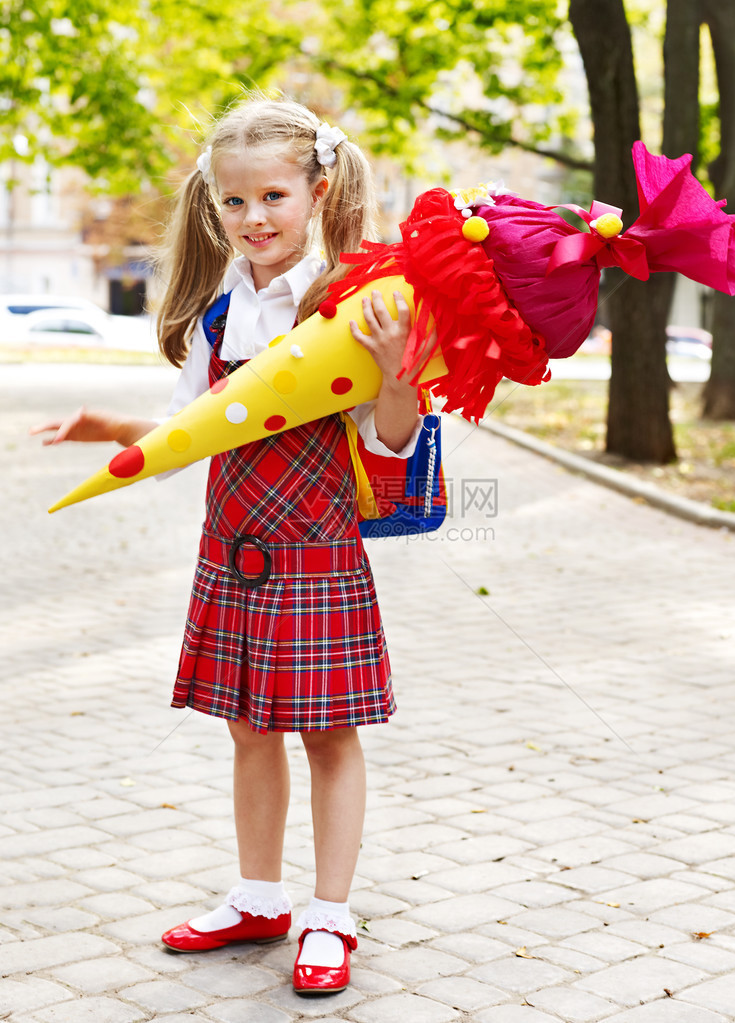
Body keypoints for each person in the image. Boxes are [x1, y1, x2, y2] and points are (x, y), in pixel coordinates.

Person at [31, 96, 421, 996]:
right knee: (249, 730)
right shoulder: (217, 315)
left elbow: (391, 443)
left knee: (328, 733)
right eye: (235, 203)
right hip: (232, 549)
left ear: (319, 192)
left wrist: (399, 374)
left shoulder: (347, 305)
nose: (255, 220)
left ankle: (329, 915)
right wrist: (106, 430)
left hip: (317, 552)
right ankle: (257, 896)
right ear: (215, 206)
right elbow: (190, 432)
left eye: (275, 197)